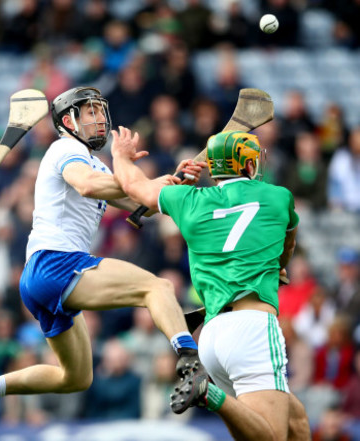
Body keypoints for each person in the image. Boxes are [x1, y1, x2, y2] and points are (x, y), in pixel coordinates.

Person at [0, 86, 208, 422]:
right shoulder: (65, 149)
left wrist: (176, 183)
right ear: (68, 120)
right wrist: (127, 165)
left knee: (76, 378)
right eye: (91, 112)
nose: (100, 119)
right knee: (158, 288)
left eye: (101, 111)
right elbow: (88, 185)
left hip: (43, 276)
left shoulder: (92, 161)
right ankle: (188, 356)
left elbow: (140, 202)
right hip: (57, 263)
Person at [110, 127, 311, 440]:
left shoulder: (188, 199)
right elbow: (285, 251)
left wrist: (121, 156)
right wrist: (277, 269)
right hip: (253, 325)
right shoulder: (279, 196)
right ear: (248, 166)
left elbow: (132, 185)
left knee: (295, 422)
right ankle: (209, 395)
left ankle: (208, 391)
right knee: (271, 436)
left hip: (213, 337)